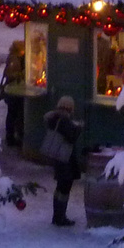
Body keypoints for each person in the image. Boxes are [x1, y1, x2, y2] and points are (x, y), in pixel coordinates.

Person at [42, 95, 82, 227]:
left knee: (60, 186)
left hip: (57, 156)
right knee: (65, 187)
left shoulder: (53, 118)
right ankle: (60, 217)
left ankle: (57, 215)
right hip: (64, 157)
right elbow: (71, 137)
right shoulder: (64, 120)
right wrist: (78, 128)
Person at [1, 43, 26, 148]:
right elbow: (10, 74)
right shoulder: (14, 59)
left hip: (14, 90)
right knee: (14, 114)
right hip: (13, 91)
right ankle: (11, 137)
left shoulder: (15, 57)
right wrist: (22, 74)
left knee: (13, 114)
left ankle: (11, 136)